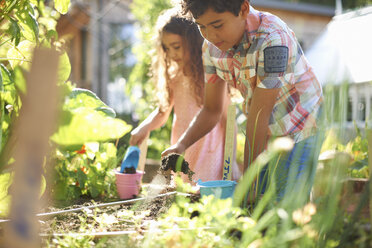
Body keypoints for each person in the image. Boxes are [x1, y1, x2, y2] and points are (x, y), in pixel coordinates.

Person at [162, 0, 323, 199]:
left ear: (243, 9)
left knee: (282, 202)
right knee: (261, 199)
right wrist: (182, 144)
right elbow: (212, 110)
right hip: (263, 124)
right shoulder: (211, 48)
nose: (211, 35)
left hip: (300, 122)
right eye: (202, 26)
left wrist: (248, 184)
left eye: (218, 25)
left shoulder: (273, 40)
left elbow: (257, 119)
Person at [130, 8, 240, 184]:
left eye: (176, 47)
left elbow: (229, 119)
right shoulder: (175, 75)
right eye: (167, 48)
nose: (172, 54)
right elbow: (162, 111)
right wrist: (144, 127)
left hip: (209, 150)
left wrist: (231, 160)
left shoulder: (210, 76)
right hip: (182, 145)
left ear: (192, 42)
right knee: (184, 195)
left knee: (203, 196)